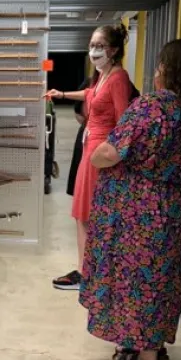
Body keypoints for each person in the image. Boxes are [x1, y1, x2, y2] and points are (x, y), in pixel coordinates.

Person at [80, 39, 181, 360]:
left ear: (169, 70)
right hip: (179, 209)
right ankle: (148, 345)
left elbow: (112, 152)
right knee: (164, 278)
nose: (156, 72)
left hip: (140, 211)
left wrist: (95, 156)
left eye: (159, 66)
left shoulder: (151, 107)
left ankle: (145, 359)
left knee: (134, 279)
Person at [46, 23, 135, 291]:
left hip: (101, 155)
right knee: (82, 214)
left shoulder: (119, 79)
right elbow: (90, 94)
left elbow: (123, 123)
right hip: (90, 151)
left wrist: (114, 158)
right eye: (91, 45)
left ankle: (92, 274)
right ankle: (86, 270)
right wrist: (60, 93)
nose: (94, 50)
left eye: (99, 46)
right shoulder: (102, 76)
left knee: (91, 216)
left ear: (114, 50)